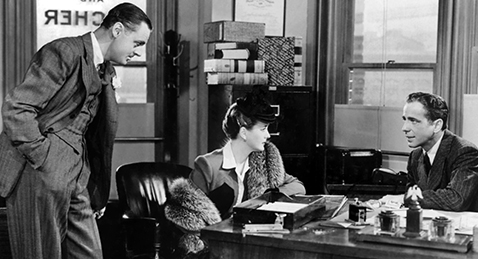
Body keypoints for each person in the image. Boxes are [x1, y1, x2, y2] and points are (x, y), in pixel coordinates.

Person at [0, 3, 152, 258]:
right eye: (137, 43)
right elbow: (17, 107)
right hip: (38, 172)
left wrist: (94, 187)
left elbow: (97, 136)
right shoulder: (64, 51)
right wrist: (42, 156)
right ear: (117, 30)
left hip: (77, 174)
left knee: (90, 252)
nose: (137, 52)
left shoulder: (105, 69)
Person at [189, 87, 306, 219]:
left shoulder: (265, 163)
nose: (268, 135)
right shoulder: (208, 166)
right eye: (263, 129)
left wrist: (270, 195)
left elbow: (298, 187)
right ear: (244, 133)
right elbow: (190, 218)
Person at [402, 92, 478, 211]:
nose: (404, 128)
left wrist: (409, 198)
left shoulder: (464, 152)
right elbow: (411, 195)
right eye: (405, 119)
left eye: (413, 121)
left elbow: (455, 199)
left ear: (437, 125)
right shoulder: (415, 156)